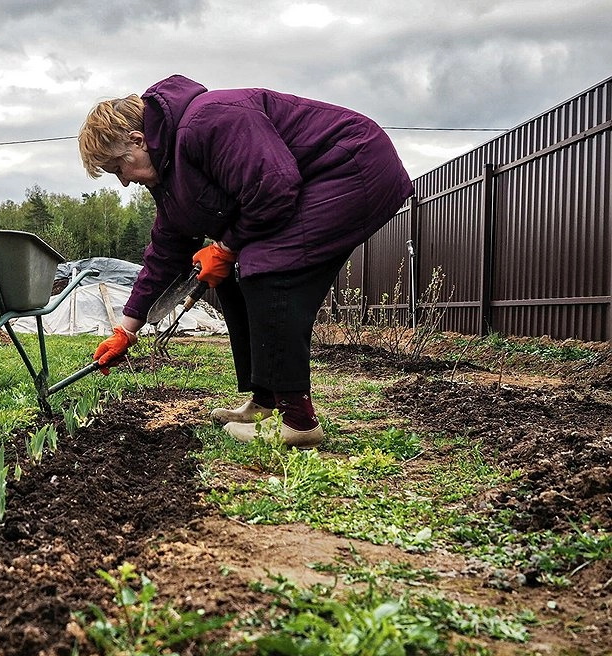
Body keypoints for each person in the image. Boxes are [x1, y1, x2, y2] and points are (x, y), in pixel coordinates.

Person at [81, 74, 412, 448]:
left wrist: (225, 246)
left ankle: (298, 422)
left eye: (118, 169)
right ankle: (266, 402)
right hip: (314, 180)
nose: (124, 182)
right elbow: (165, 253)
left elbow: (274, 188)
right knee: (231, 274)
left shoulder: (208, 120)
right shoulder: (170, 175)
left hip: (351, 165)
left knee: (268, 266)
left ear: (138, 141)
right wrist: (127, 328)